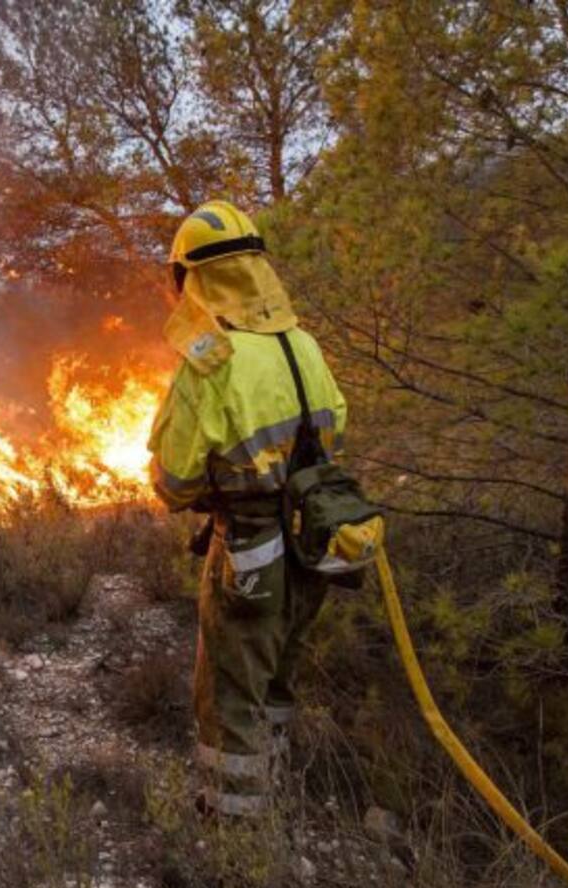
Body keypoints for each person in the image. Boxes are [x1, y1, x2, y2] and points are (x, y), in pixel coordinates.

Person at [148, 200, 347, 816]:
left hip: (252, 551)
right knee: (278, 674)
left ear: (194, 280)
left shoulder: (213, 361)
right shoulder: (305, 345)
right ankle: (275, 787)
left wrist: (220, 475)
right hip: (314, 543)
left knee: (232, 692)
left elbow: (175, 481)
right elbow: (334, 428)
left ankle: (234, 839)